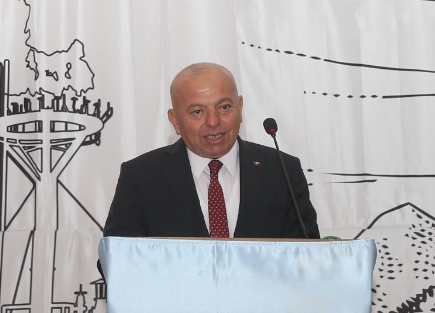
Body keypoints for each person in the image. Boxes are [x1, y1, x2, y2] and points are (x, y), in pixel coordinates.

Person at [103, 62, 320, 239]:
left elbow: (308, 257)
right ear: (175, 121)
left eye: (224, 107)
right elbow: (115, 261)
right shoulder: (141, 177)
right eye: (197, 112)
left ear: (240, 107)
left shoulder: (282, 171)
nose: (214, 122)